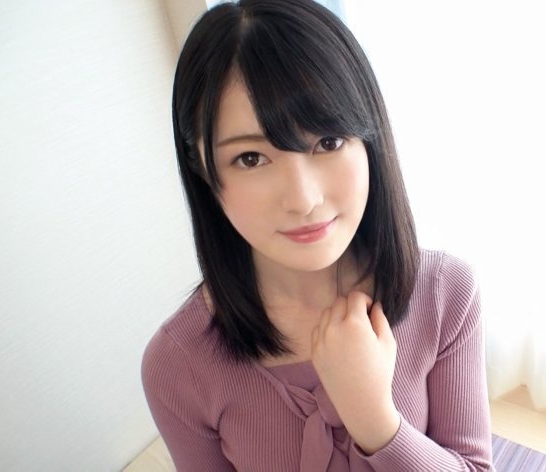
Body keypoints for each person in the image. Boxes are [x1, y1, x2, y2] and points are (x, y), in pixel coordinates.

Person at [141, 0, 493, 470]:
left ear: (369, 139)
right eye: (251, 158)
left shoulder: (446, 292)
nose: (303, 199)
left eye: (328, 142)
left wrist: (375, 420)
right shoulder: (177, 365)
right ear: (204, 172)